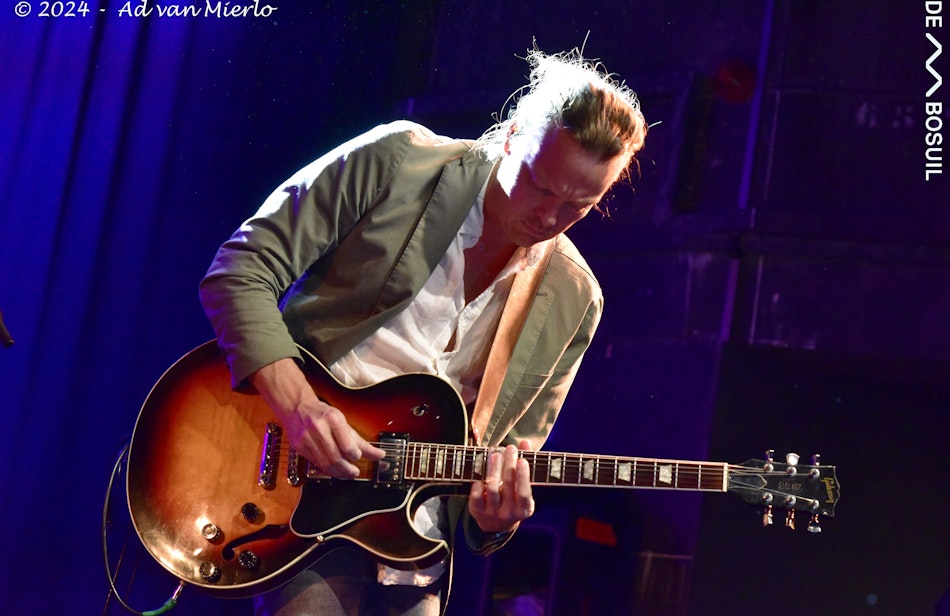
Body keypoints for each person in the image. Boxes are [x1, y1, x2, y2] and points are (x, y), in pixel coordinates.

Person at [198, 46, 648, 616]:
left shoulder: (575, 298)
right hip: (301, 490)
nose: (549, 217)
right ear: (512, 137)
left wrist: (495, 517)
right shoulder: (400, 161)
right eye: (540, 186)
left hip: (414, 544)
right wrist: (298, 407)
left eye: (580, 206)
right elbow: (240, 270)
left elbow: (510, 456)